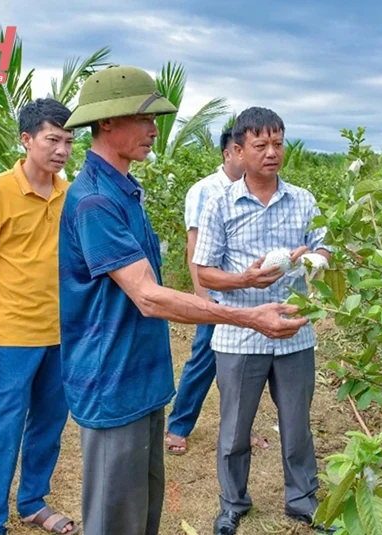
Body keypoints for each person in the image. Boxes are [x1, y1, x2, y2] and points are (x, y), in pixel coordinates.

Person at [59, 66, 308, 535]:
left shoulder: (124, 190)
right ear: (106, 123)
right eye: (144, 118)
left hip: (139, 380)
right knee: (116, 519)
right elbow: (149, 297)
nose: (155, 130)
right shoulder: (95, 201)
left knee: (141, 511)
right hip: (111, 382)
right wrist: (248, 316)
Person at [193, 107, 335, 535]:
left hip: (294, 332)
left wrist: (315, 258)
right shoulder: (220, 203)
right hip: (240, 334)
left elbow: (325, 247)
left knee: (297, 425)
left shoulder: (303, 200)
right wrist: (245, 279)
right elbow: (203, 271)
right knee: (235, 428)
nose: (272, 152)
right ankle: (232, 503)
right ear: (238, 150)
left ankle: (302, 500)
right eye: (260, 145)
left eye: (278, 143)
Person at [0, 98, 78, 535]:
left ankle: (32, 500)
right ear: (27, 140)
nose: (62, 150)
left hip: (63, 334)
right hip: (13, 335)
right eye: (53, 139)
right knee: (4, 431)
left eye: (69, 141)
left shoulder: (71, 194)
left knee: (49, 424)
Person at [165, 126, 245, 455]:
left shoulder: (252, 188)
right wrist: (201, 294)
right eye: (245, 149)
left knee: (243, 364)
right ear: (229, 153)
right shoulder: (205, 190)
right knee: (204, 358)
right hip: (215, 290)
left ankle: (240, 430)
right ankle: (179, 426)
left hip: (245, 289)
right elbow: (194, 241)